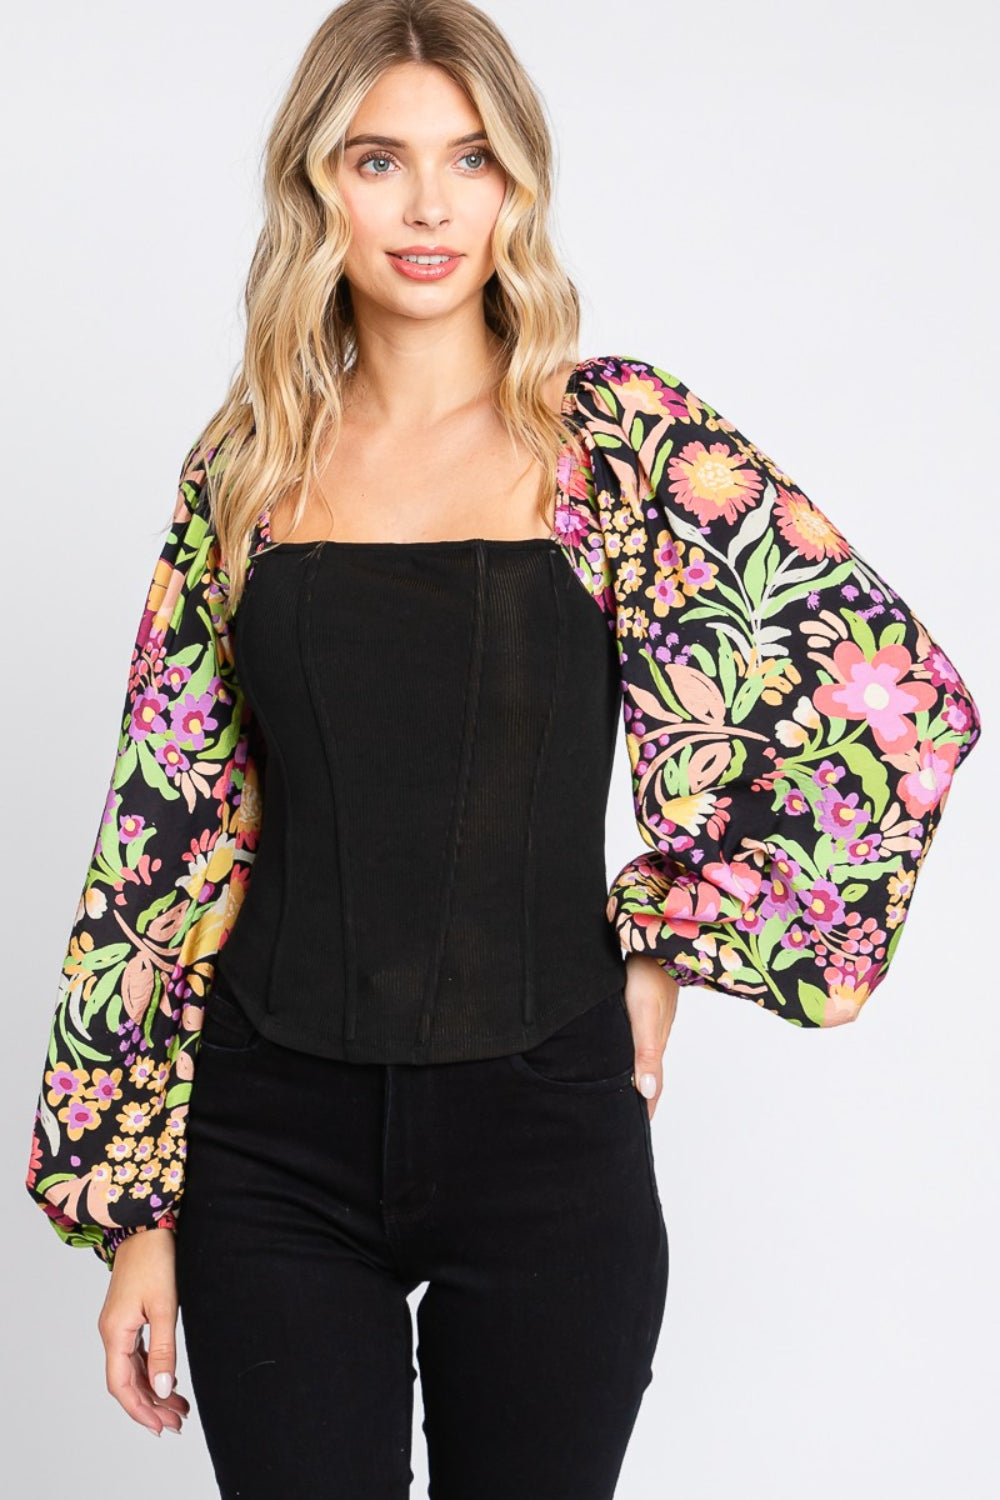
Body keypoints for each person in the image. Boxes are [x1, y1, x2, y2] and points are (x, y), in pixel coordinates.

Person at [23, 2, 981, 1496]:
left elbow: (889, 701)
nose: (429, 206)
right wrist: (136, 1215)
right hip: (270, 1147)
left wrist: (668, 939)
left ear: (518, 182)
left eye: (470, 159)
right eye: (379, 160)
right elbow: (166, 828)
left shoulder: (619, 446)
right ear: (317, 186)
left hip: (546, 1139)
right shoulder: (246, 464)